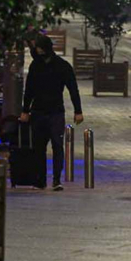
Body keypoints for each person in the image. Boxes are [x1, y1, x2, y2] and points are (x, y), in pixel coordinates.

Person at [20, 35, 84, 191]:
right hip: (38, 111)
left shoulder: (62, 66)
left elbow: (73, 89)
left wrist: (78, 111)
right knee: (38, 147)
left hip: (55, 111)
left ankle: (56, 179)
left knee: (57, 145)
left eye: (39, 47)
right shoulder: (36, 66)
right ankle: (40, 179)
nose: (38, 51)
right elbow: (29, 90)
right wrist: (25, 110)